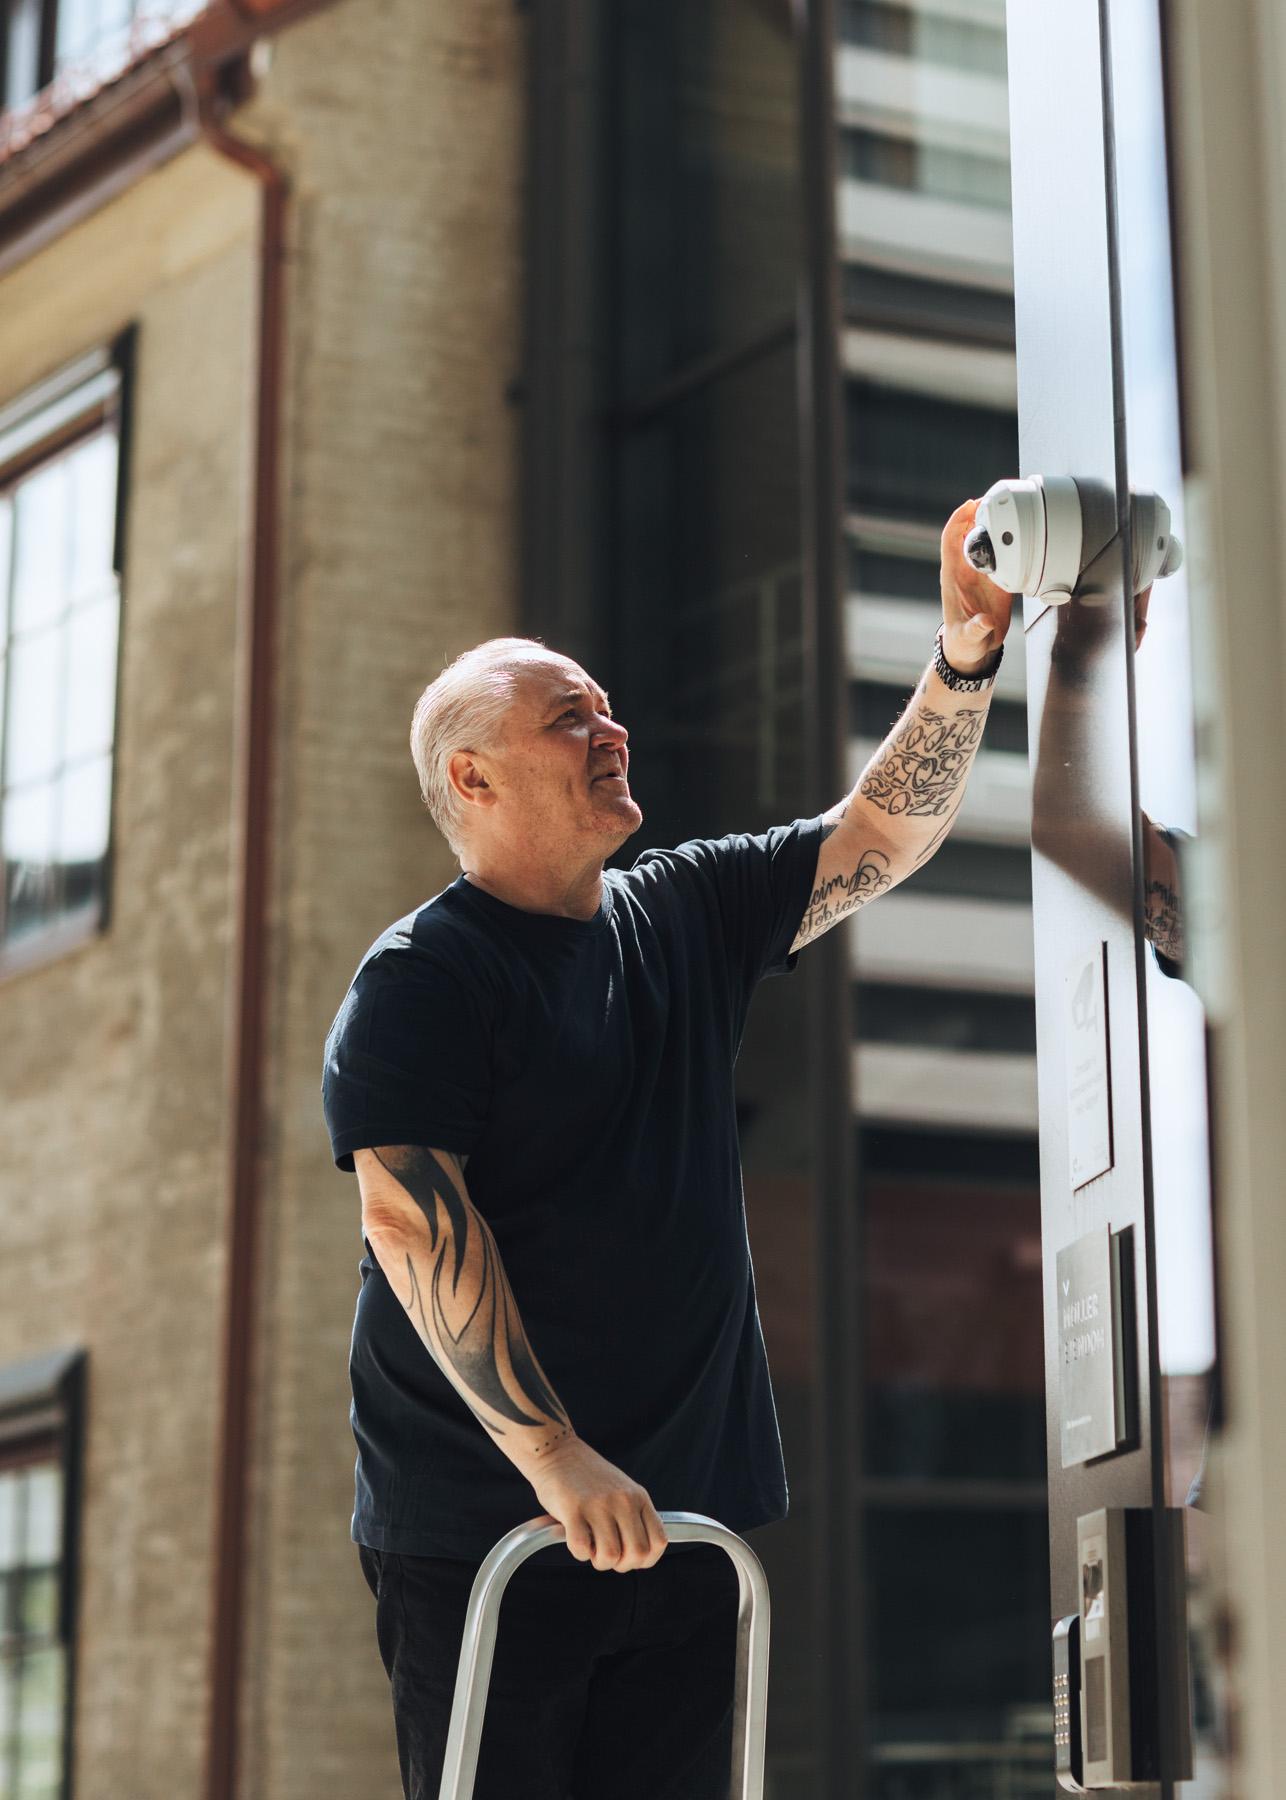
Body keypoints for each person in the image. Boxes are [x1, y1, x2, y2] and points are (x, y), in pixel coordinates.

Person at [321, 498, 1014, 1800]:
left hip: (686, 1519)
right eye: (567, 718)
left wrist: (965, 656)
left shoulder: (685, 913)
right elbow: (411, 1217)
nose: (611, 731)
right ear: (472, 778)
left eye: (606, 709)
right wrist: (556, 1459)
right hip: (492, 1527)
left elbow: (878, 838)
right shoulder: (424, 976)